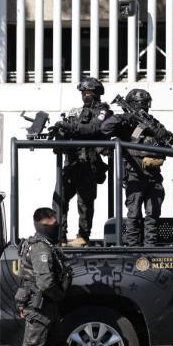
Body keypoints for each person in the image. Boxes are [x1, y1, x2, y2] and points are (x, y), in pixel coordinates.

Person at [7, 207, 102, 346]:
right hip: (40, 308)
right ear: (43, 223)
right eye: (53, 221)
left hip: (46, 307)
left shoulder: (40, 244)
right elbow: (45, 282)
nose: (57, 224)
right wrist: (59, 296)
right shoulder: (40, 248)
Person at [100, 89, 173, 247]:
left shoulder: (152, 122)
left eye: (146, 103)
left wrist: (160, 132)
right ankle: (133, 247)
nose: (145, 107)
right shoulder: (125, 124)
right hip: (134, 175)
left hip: (153, 177)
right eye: (142, 104)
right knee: (133, 215)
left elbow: (170, 139)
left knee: (152, 215)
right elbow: (105, 128)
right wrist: (124, 117)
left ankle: (150, 247)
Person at [50, 77, 112, 247]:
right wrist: (60, 132)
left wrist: (70, 127)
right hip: (71, 162)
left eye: (88, 92)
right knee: (59, 199)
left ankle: (83, 236)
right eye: (83, 92)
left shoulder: (103, 112)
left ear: (96, 93)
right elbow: (69, 131)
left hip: (89, 163)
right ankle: (60, 236)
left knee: (84, 203)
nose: (85, 95)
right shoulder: (76, 112)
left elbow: (92, 129)